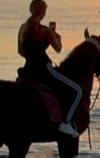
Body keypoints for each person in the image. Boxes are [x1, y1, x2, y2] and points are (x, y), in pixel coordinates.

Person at [18, 0, 81, 137]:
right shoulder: (46, 31)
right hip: (44, 69)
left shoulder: (23, 28)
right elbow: (58, 49)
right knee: (77, 91)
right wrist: (57, 37)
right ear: (44, 12)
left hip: (28, 70)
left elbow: (21, 52)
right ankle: (66, 122)